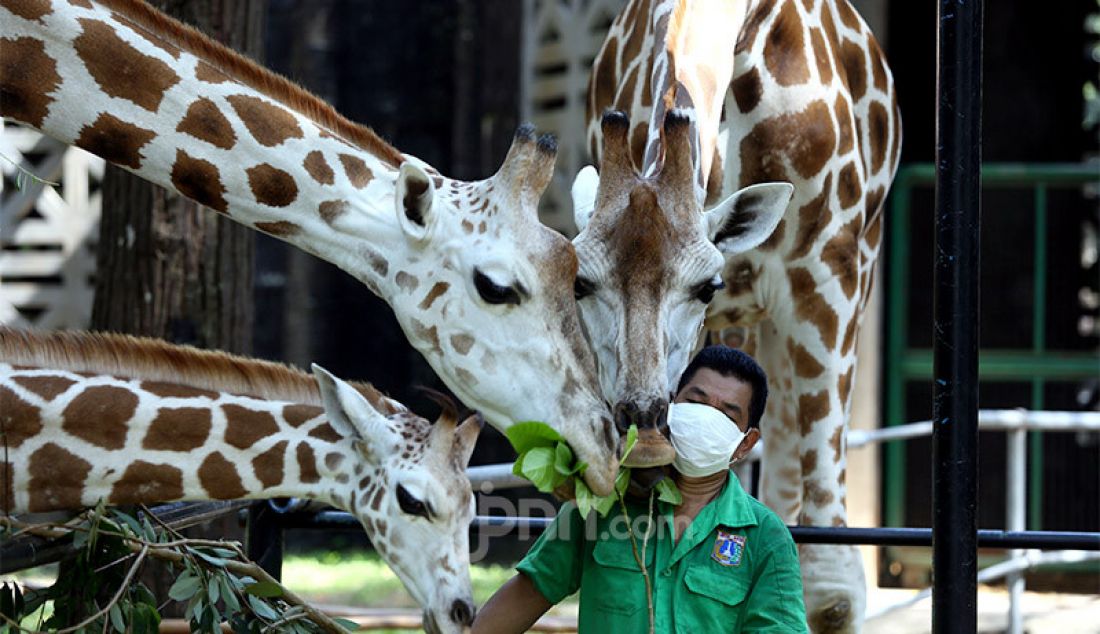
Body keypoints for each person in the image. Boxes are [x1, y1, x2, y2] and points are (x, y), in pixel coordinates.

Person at [472, 345, 808, 633]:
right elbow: (529, 592)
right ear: (672, 406)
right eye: (698, 401)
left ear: (745, 443)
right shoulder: (604, 501)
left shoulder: (765, 537)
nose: (707, 417)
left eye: (726, 414)